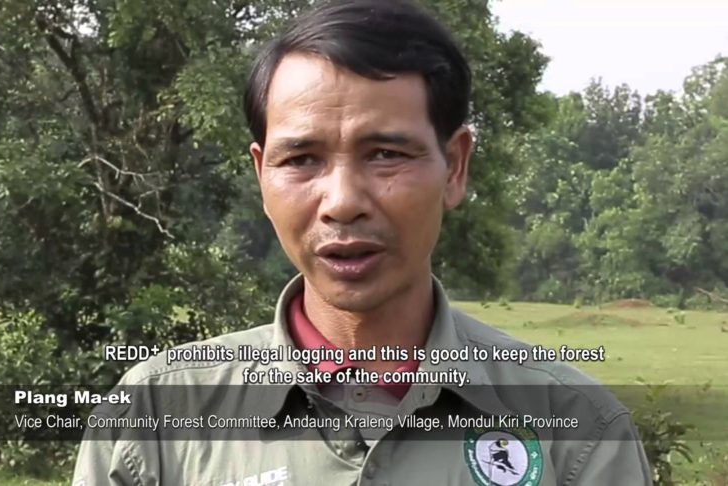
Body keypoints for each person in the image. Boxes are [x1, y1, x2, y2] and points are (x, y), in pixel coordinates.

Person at [72, 0, 653, 484]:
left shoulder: (578, 435)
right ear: (261, 177)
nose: (342, 201)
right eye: (302, 160)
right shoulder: (154, 421)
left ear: (454, 167)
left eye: (385, 154)